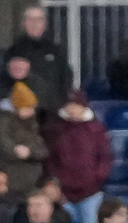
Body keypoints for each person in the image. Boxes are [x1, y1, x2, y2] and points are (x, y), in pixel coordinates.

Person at [44, 86, 114, 214]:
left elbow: (105, 157)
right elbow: (51, 158)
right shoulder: (56, 130)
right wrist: (56, 182)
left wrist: (96, 178)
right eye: (70, 105)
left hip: (91, 193)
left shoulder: (96, 130)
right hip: (63, 195)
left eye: (76, 105)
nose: (73, 109)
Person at [3, 1, 72, 112]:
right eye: (30, 19)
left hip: (53, 111)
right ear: (24, 23)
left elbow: (66, 77)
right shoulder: (14, 51)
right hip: (26, 112)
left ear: (44, 23)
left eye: (39, 19)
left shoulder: (55, 49)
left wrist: (61, 103)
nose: (35, 23)